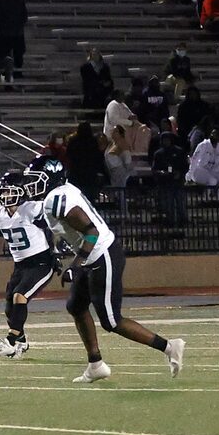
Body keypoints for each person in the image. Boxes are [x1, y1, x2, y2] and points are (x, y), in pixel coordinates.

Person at [36, 163, 185, 382]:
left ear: (50, 177)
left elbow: (91, 232)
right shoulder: (60, 193)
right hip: (92, 254)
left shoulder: (56, 199)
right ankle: (96, 365)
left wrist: (76, 265)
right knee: (76, 306)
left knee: (111, 320)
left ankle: (170, 346)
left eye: (37, 178)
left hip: (100, 255)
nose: (33, 184)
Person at [0, 165, 56, 357]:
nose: (5, 195)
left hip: (41, 263)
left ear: (21, 192)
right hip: (20, 266)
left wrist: (56, 251)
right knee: (9, 308)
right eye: (3, 191)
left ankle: (10, 341)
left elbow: (55, 228)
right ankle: (21, 342)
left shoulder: (31, 209)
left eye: (9, 191)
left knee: (19, 296)